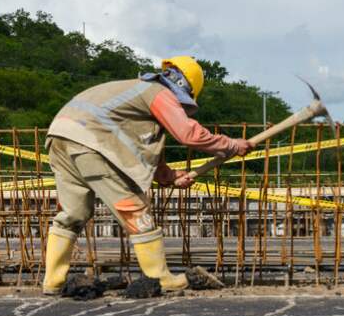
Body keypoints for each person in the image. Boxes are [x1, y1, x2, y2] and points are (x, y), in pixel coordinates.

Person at [41, 56, 251, 294]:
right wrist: (232, 145)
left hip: (60, 135)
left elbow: (149, 150)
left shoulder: (137, 94)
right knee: (135, 210)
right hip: (91, 142)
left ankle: (53, 281)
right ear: (185, 87)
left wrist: (169, 176)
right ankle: (159, 278)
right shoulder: (159, 93)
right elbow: (188, 134)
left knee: (73, 213)